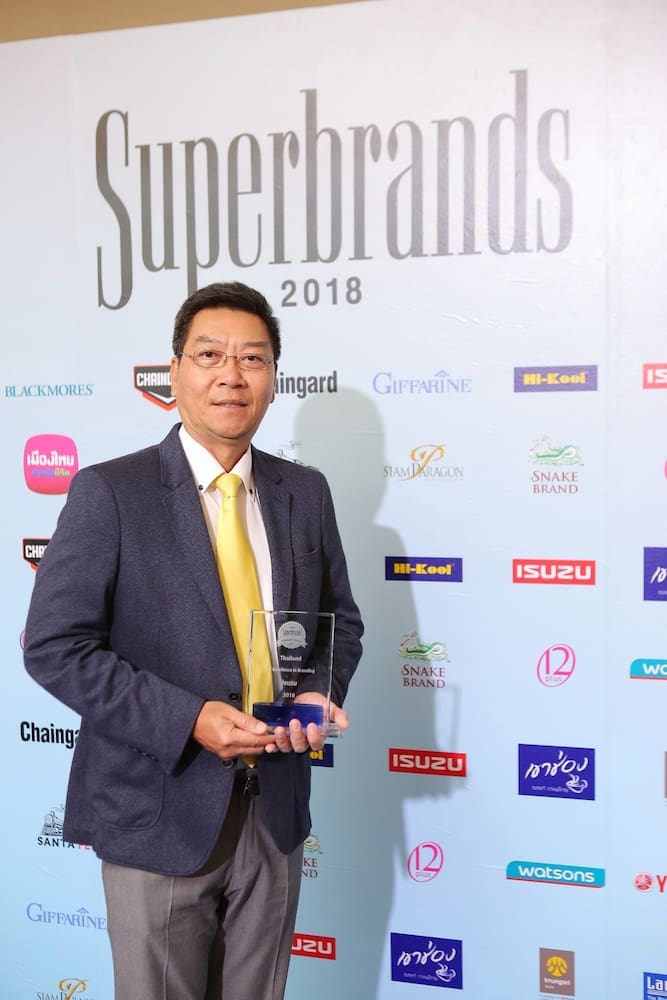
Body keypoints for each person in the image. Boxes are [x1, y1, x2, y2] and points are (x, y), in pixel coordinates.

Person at [23, 281, 363, 1000]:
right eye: (210, 355)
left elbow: (340, 621)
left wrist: (316, 691)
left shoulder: (305, 493)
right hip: (157, 811)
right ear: (174, 372)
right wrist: (189, 719)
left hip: (275, 813)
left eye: (253, 358)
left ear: (274, 378)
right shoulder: (111, 493)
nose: (231, 375)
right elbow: (55, 646)